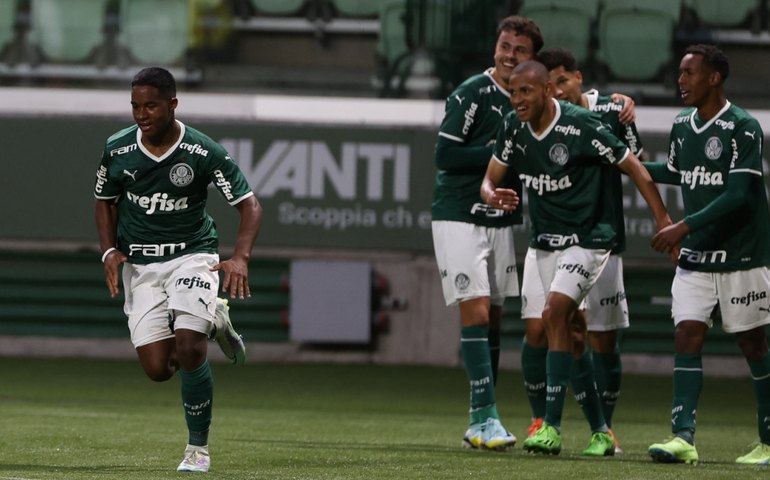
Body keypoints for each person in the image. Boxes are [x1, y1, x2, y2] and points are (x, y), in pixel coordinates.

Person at [480, 60, 672, 456]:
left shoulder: (580, 125)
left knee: (555, 316)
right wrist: (489, 195)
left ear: (547, 90)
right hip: (543, 241)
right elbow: (489, 177)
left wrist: (663, 219)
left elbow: (633, 166)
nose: (517, 100)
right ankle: (601, 431)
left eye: (526, 92)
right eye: (513, 93)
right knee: (564, 333)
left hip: (588, 239)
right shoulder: (513, 128)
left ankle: (550, 426)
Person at [93, 67, 262, 473]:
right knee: (158, 369)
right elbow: (104, 200)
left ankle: (197, 449)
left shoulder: (204, 152)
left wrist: (239, 258)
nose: (141, 114)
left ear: (172, 104)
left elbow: (249, 204)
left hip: (193, 255)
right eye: (135, 105)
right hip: (142, 266)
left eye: (150, 105)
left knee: (189, 347)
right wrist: (109, 251)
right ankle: (213, 318)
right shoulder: (117, 149)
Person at [645, 44, 770, 465]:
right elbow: (678, 173)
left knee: (753, 343)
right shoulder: (683, 126)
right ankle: (683, 437)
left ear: (714, 77)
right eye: (680, 72)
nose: (680, 80)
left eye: (688, 73)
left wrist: (682, 225)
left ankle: (769, 440)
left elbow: (737, 195)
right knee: (687, 335)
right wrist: (631, 164)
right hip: (698, 255)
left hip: (742, 255)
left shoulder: (743, 127)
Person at [525, 47, 646, 454]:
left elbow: (636, 161)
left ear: (579, 78)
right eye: (551, 83)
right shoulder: (535, 117)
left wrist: (622, 108)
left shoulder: (611, 111)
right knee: (556, 323)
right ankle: (547, 422)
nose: (557, 90)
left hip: (602, 240)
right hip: (555, 239)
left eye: (564, 81)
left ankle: (604, 428)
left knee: (603, 338)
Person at [431, 14, 543, 451]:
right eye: (504, 46)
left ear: (532, 60)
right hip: (459, 212)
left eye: (519, 50)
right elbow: (445, 155)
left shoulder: (529, 97)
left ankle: (481, 416)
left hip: (500, 217)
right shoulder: (472, 93)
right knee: (475, 309)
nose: (508, 55)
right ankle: (485, 417)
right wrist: (503, 152)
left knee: (494, 315)